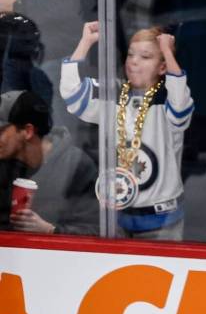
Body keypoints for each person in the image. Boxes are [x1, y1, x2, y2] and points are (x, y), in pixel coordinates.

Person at [60, 22, 193, 239]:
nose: (134, 62)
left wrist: (168, 53)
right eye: (131, 54)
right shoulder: (114, 93)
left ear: (162, 68)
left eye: (145, 57)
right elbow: (73, 95)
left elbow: (180, 104)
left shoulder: (168, 100)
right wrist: (85, 43)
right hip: (117, 217)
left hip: (162, 220)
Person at [0, 89, 98, 235]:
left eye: (1, 131)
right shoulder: (5, 163)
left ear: (27, 131)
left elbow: (98, 231)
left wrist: (50, 230)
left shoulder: (76, 165)